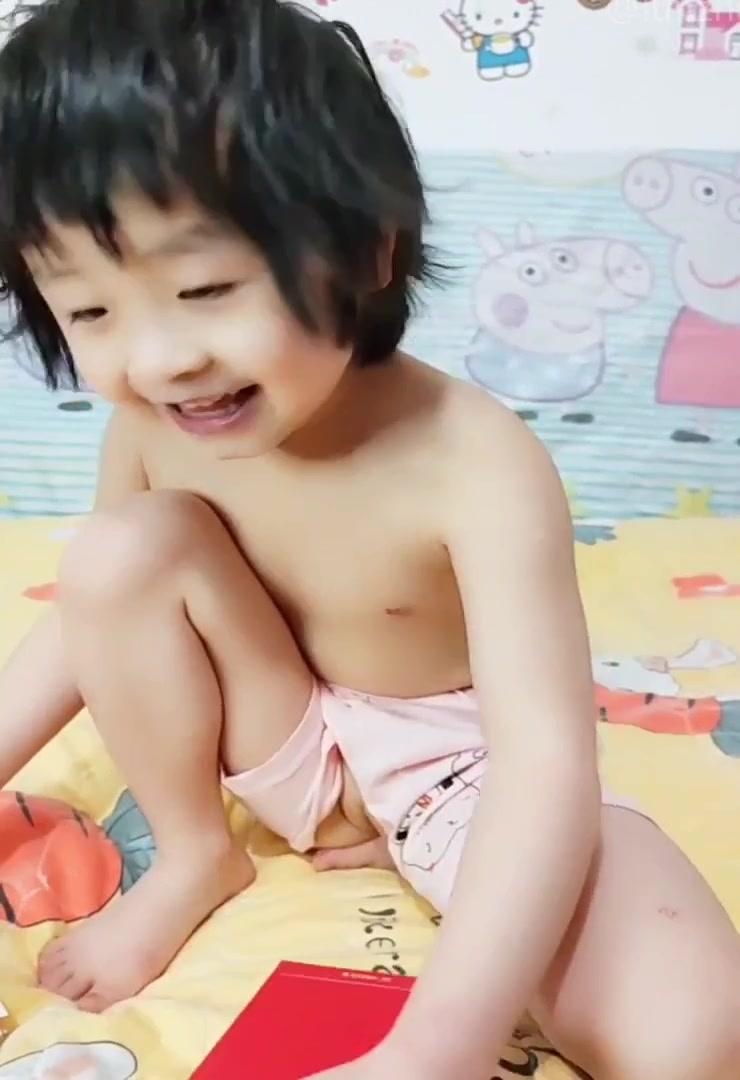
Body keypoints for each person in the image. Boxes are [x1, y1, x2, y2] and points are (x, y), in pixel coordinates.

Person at [0, 1, 737, 1076]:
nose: (160, 361)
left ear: (367, 249)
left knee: (695, 1036)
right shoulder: (158, 425)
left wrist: (436, 1045)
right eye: (91, 313)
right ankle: (197, 857)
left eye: (205, 290)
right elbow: (98, 614)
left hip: (458, 773)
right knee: (124, 547)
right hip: (272, 733)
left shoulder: (474, 460)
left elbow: (544, 765)